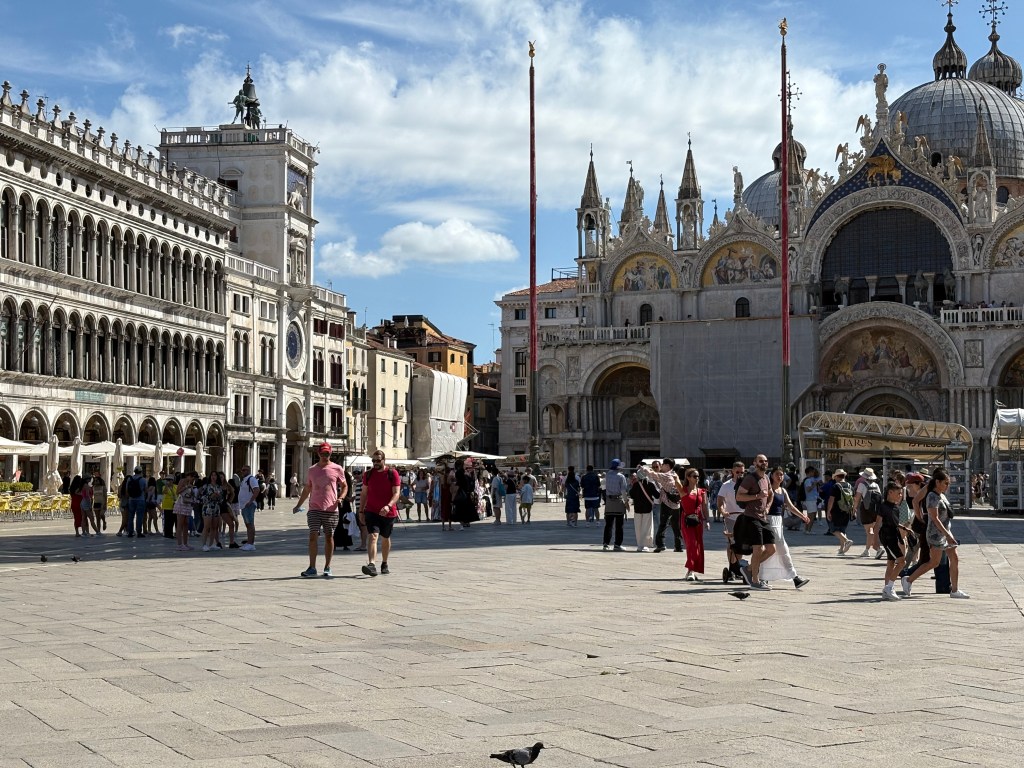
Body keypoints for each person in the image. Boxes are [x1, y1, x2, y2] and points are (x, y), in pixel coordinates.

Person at [901, 469, 970, 599]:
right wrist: (947, 535)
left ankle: (954, 590)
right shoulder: (932, 496)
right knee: (934, 562)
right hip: (936, 535)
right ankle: (908, 579)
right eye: (945, 483)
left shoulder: (941, 494)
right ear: (937, 482)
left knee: (954, 559)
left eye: (948, 483)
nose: (947, 486)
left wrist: (949, 534)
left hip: (945, 532)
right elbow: (934, 518)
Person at [294, 442, 347, 578]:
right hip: (314, 508)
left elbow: (345, 486)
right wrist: (299, 505)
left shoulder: (337, 469)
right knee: (313, 536)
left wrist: (340, 498)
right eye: (323, 453)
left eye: (327, 453)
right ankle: (312, 567)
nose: (325, 456)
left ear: (330, 453)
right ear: (318, 454)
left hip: (331, 508)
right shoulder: (312, 470)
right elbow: (307, 488)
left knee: (329, 537)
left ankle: (327, 566)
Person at [759, 466, 811, 589]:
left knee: (778, 551)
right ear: (772, 475)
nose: (780, 477)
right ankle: (792, 577)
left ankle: (791, 577)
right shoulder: (768, 490)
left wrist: (802, 516)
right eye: (777, 474)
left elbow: (791, 506)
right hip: (769, 521)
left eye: (781, 474)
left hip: (779, 522)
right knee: (778, 550)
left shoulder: (782, 490)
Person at [733, 454, 775, 590]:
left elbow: (771, 494)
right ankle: (755, 581)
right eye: (761, 461)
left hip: (763, 517)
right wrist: (757, 496)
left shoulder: (766, 477)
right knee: (758, 549)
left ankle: (748, 569)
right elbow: (739, 496)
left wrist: (767, 507)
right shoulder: (750, 479)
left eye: (766, 461)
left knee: (771, 549)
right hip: (751, 517)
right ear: (755, 463)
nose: (764, 463)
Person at [357, 449, 400, 576]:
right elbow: (364, 493)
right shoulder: (368, 474)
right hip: (371, 510)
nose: (375, 463)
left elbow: (396, 493)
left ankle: (384, 562)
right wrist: (361, 510)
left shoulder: (392, 473)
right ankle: (372, 564)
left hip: (388, 512)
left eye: (378, 460)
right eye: (373, 460)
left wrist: (388, 506)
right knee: (373, 536)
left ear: (383, 460)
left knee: (385, 538)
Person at [878, 480, 909, 601]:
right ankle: (889, 587)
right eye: (899, 493)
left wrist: (905, 528)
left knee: (891, 562)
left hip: (893, 536)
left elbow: (895, 523)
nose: (900, 495)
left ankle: (888, 588)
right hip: (887, 537)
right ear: (890, 493)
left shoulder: (896, 507)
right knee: (901, 561)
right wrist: (875, 541)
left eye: (901, 493)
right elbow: (877, 524)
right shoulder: (883, 506)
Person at [679, 467, 710, 580]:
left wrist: (707, 520)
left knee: (698, 545)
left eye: (698, 476)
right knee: (691, 544)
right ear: (688, 477)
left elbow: (705, 507)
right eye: (694, 476)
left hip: (698, 520)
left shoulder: (702, 491)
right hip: (686, 520)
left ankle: (691, 570)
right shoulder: (683, 490)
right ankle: (690, 570)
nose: (697, 478)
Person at [717, 461, 745, 583]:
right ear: (732, 471)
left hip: (744, 517)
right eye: (737, 472)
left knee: (742, 544)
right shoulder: (726, 485)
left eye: (742, 472)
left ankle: (737, 566)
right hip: (731, 517)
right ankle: (732, 566)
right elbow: (720, 501)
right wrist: (723, 511)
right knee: (732, 543)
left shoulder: (747, 485)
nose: (739, 474)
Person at [647, 459, 683, 553]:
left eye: (663, 464)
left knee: (663, 524)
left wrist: (644, 468)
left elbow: (653, 474)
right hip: (676, 503)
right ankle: (678, 546)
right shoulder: (674, 474)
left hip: (667, 503)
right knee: (676, 526)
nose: (662, 465)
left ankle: (660, 544)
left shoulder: (666, 475)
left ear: (667, 465)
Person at [854, 468, 883, 558]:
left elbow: (857, 497)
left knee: (869, 531)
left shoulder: (861, 485)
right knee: (873, 530)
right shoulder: (876, 485)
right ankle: (868, 550)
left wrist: (854, 508)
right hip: (875, 510)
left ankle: (877, 549)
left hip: (865, 509)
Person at [825, 468, 855, 555]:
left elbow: (831, 500)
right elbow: (854, 499)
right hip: (846, 510)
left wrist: (828, 511)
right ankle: (842, 549)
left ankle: (847, 541)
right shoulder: (850, 486)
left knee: (833, 529)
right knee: (842, 530)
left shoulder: (836, 486)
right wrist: (853, 510)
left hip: (836, 510)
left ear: (837, 477)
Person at [602, 459, 629, 551]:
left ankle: (606, 544)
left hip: (609, 501)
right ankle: (617, 544)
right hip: (618, 501)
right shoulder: (621, 476)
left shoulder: (608, 475)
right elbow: (623, 491)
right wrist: (626, 502)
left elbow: (603, 487)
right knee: (619, 525)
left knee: (608, 524)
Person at [236, 464, 263, 551]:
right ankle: (249, 542)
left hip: (249, 505)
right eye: (242, 470)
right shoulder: (245, 479)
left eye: (245, 470)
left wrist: (251, 501)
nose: (243, 471)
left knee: (250, 524)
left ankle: (251, 544)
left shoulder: (251, 479)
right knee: (247, 524)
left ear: (249, 471)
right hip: (244, 505)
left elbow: (257, 490)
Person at [628, 469, 656, 551]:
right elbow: (657, 495)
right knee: (647, 528)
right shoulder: (650, 484)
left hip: (637, 509)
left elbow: (631, 495)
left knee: (638, 528)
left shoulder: (636, 484)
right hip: (647, 509)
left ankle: (640, 545)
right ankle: (645, 545)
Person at [200, 472, 229, 551]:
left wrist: (218, 496)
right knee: (206, 526)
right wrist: (213, 496)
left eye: (215, 475)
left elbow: (222, 498)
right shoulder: (206, 486)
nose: (213, 477)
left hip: (216, 507)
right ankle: (204, 544)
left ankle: (211, 544)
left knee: (214, 527)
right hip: (207, 507)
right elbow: (202, 496)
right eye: (212, 475)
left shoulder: (219, 487)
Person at [174, 472, 198, 551]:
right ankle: (179, 544)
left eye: (194, 478)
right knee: (180, 524)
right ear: (188, 476)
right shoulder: (182, 481)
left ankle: (185, 543)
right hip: (181, 504)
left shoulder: (191, 483)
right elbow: (177, 492)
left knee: (186, 524)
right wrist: (186, 486)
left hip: (188, 504)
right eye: (192, 477)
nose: (193, 479)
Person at [451, 458, 478, 529]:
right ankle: (466, 522)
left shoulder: (458, 473)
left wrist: (453, 497)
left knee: (460, 509)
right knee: (466, 508)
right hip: (467, 493)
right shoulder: (466, 474)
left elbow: (458, 485)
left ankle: (462, 524)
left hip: (461, 493)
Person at [126, 466, 147, 538]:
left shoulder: (129, 479)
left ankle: (130, 532)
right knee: (140, 516)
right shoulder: (143, 480)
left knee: (130, 516)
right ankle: (139, 532)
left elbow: (127, 490)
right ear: (141, 472)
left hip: (131, 500)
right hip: (140, 499)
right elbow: (146, 490)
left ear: (134, 471)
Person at [801, 466, 821, 532]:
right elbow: (808, 489)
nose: (813, 473)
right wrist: (814, 485)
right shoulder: (808, 480)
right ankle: (808, 530)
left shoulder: (809, 480)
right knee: (811, 516)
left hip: (812, 499)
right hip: (810, 500)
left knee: (810, 515)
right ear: (809, 472)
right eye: (812, 472)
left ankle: (806, 529)